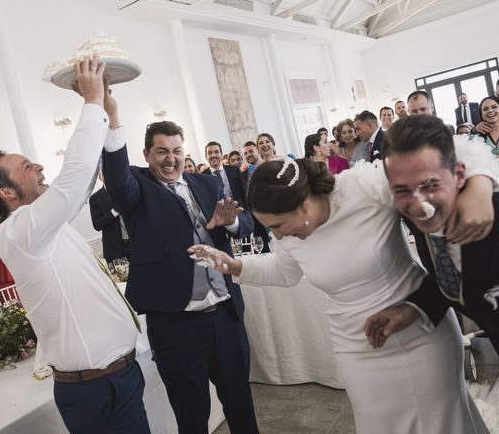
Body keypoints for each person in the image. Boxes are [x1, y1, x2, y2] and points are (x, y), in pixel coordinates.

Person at [189, 146, 497, 433]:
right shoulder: (291, 237)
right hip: (357, 348)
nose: (278, 236)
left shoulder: (362, 188)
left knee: (443, 421)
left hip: (423, 334)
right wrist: (233, 265)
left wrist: (480, 186)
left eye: (279, 225)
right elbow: (284, 271)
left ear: (303, 204)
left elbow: (460, 151)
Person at [0, 56, 149, 434]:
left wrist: (109, 112)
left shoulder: (47, 225)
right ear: (7, 192)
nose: (38, 165)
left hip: (121, 376)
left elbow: (83, 183)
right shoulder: (19, 231)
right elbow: (75, 176)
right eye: (25, 167)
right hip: (92, 390)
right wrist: (90, 103)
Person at [102, 117, 258, 434]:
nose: (170, 158)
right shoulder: (136, 189)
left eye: (176, 150)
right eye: (161, 151)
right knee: (192, 417)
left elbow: (246, 225)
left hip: (226, 317)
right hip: (177, 326)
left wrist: (228, 224)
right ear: (146, 155)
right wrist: (112, 118)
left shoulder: (207, 184)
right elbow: (117, 178)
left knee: (241, 404)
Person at [365, 115, 499, 356]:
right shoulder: (419, 215)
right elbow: (457, 273)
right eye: (402, 190)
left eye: (430, 185)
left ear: (460, 176)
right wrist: (414, 307)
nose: (419, 205)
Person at [90, 174, 130, 264]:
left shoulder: (128, 191)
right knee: (119, 277)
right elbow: (97, 225)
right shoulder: (95, 198)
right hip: (114, 248)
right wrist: (114, 212)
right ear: (101, 176)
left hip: (135, 244)